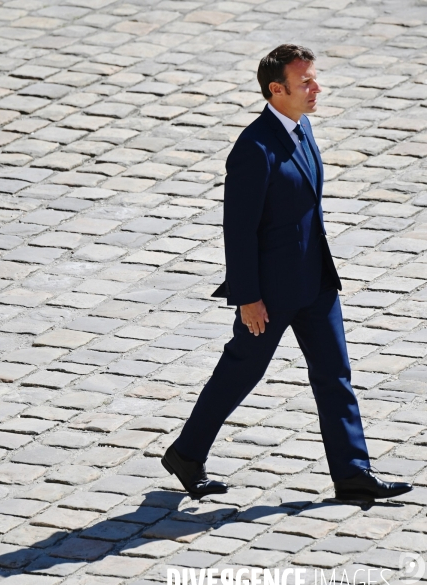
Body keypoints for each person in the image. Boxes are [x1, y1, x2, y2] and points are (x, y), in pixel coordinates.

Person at [162, 44, 412, 503]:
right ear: (276, 90)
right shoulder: (253, 149)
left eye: (314, 79)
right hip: (271, 294)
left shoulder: (302, 127)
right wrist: (248, 296)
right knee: (241, 372)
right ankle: (187, 453)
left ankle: (353, 472)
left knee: (335, 374)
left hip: (315, 282)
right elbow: (237, 231)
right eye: (306, 83)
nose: (316, 89)